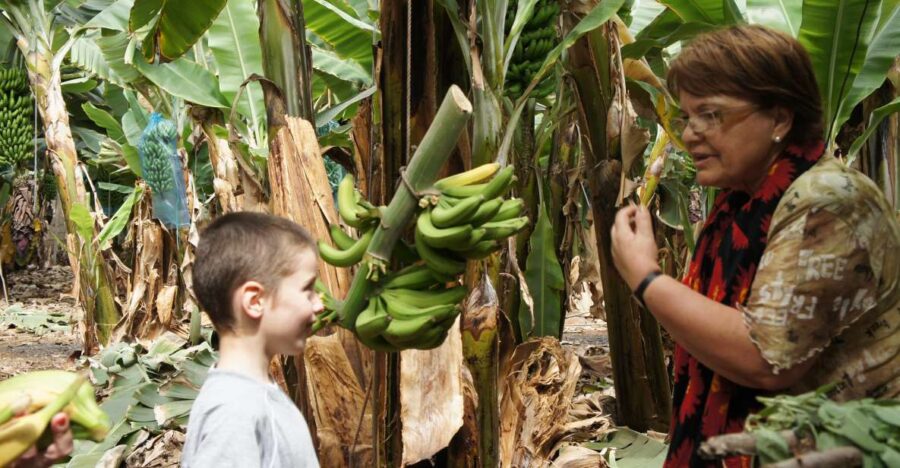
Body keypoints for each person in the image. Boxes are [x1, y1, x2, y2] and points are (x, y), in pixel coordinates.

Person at [610, 25, 900, 467]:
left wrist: (647, 278)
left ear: (780, 119)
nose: (691, 134)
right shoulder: (743, 204)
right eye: (688, 117)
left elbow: (765, 357)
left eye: (711, 115)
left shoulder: (826, 202)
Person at [182, 212, 323, 468]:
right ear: (255, 301)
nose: (320, 304)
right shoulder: (234, 411)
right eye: (308, 290)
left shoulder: (250, 396)